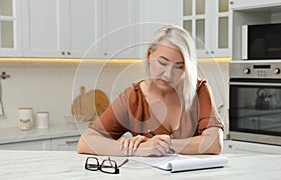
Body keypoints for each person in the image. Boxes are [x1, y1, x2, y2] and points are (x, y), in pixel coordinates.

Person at [77, 25, 224, 156]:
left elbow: (214, 143)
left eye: (179, 66)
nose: (168, 74)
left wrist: (161, 144)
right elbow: (86, 141)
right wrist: (139, 149)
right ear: (149, 55)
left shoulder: (199, 90)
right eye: (163, 63)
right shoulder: (134, 97)